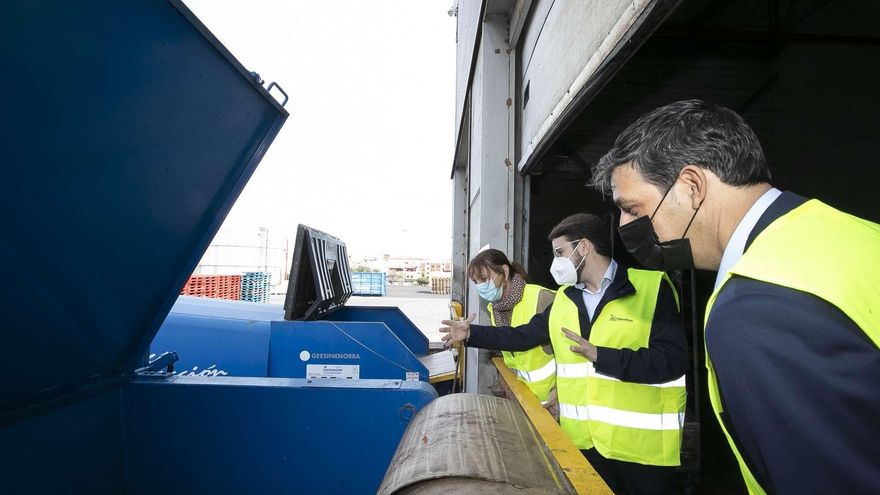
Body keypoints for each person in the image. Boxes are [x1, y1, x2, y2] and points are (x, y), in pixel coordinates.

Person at [590, 99, 880, 494]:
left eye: (632, 207)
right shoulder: (848, 232)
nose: (625, 226)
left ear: (691, 187)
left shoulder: (754, 308)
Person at [442, 213, 689, 495]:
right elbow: (522, 336)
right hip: (583, 446)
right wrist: (471, 334)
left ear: (583, 247)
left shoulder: (651, 288)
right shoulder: (564, 298)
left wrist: (601, 355)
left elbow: (672, 360)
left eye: (560, 252)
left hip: (642, 452)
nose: (555, 262)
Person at [467, 249, 556, 402]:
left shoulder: (542, 298)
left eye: (484, 278)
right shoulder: (495, 309)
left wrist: (558, 391)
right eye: (476, 282)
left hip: (555, 401)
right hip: (526, 397)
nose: (480, 286)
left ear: (505, 272)